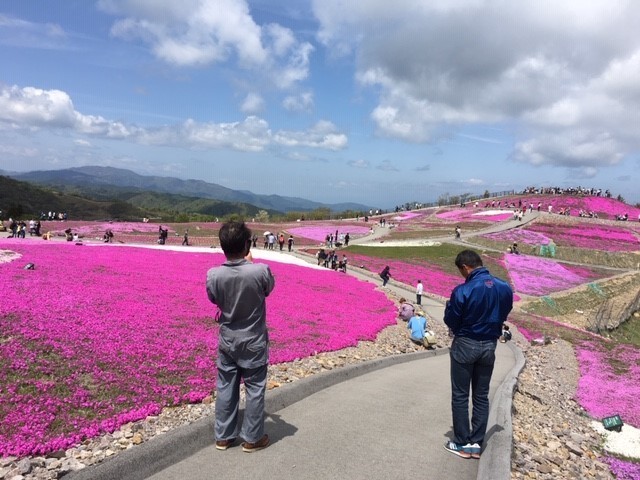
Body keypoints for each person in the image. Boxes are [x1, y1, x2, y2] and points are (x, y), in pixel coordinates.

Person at [206, 221, 275, 453]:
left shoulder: (214, 275)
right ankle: (252, 439)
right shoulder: (260, 270)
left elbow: (214, 299)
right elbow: (268, 289)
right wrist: (251, 265)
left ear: (223, 246)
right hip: (254, 341)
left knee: (226, 386)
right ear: (247, 245)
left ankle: (224, 437)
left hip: (227, 340)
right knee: (255, 388)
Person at [443, 249, 513, 459]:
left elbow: (452, 321)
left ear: (465, 267)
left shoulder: (463, 290)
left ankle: (462, 442)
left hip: (466, 343)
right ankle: (476, 443)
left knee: (461, 395)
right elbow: (505, 311)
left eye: (461, 271)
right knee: (481, 395)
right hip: (489, 345)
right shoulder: (504, 287)